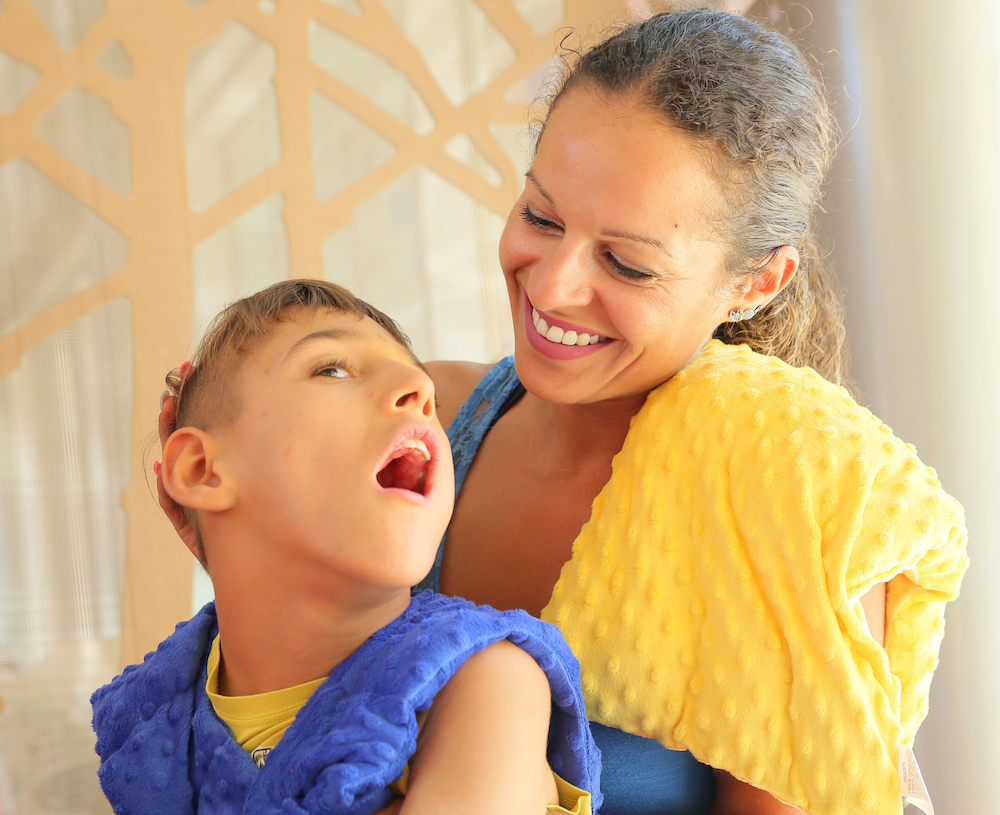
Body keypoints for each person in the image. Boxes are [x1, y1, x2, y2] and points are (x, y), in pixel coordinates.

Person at [153, 9, 968, 815]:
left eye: (625, 262)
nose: (550, 286)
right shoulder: (426, 420)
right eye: (541, 215)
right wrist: (229, 515)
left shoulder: (787, 505)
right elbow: (280, 706)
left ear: (756, 281)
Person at [93, 280, 601, 815]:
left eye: (423, 386)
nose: (418, 390)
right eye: (332, 369)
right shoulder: (157, 720)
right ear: (201, 468)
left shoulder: (486, 680)